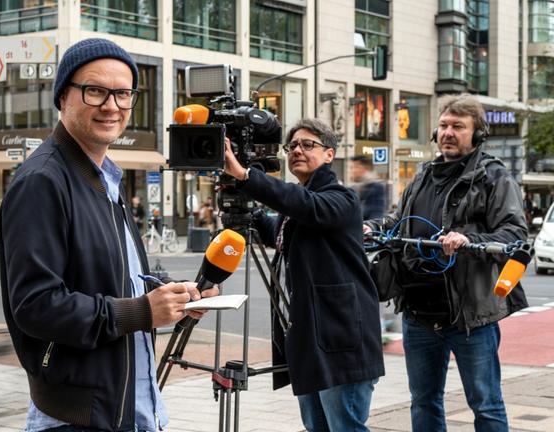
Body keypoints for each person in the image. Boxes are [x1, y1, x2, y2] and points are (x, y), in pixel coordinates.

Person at [0, 38, 218, 432]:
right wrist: (142, 312)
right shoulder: (42, 181)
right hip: (78, 417)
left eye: (123, 93)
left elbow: (116, 276)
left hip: (128, 406)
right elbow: (35, 305)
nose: (112, 106)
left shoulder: (105, 178)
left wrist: (174, 296)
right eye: (95, 90)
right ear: (63, 97)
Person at [363, 94, 528, 432]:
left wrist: (469, 240)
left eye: (458, 126)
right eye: (444, 126)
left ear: (477, 134)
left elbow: (514, 232)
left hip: (468, 316)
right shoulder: (423, 174)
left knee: (486, 403)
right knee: (423, 401)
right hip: (418, 314)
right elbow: (398, 219)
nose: (449, 132)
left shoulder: (493, 176)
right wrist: (372, 227)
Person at [224, 118, 384, 431]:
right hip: (309, 341)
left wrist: (247, 176)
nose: (297, 150)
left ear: (329, 154)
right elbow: (281, 233)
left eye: (308, 144)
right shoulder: (299, 200)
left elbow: (309, 207)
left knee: (345, 428)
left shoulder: (342, 198)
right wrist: (249, 211)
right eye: (292, 146)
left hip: (341, 342)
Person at [350, 155, 386, 220]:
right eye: (351, 168)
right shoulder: (354, 188)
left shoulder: (376, 187)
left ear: (364, 169)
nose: (353, 171)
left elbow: (377, 214)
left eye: (356, 167)